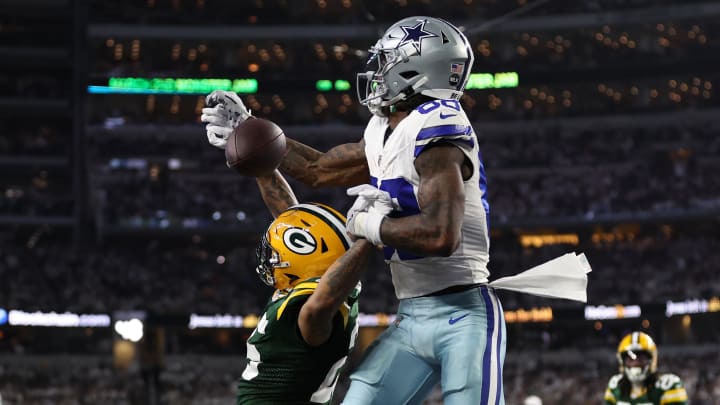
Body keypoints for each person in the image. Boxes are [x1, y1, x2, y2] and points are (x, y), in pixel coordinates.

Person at [203, 16, 504, 404]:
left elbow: (442, 235)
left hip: (464, 311)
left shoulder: (439, 130)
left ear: (415, 69)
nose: (377, 72)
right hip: (412, 314)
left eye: (387, 62)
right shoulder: (385, 128)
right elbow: (317, 169)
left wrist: (371, 225)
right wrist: (248, 131)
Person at [234, 168, 385, 404]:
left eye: (277, 252)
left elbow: (317, 306)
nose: (271, 258)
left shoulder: (314, 304)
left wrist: (368, 234)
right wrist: (261, 165)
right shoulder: (338, 283)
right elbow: (291, 219)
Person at [604, 331, 688, 405]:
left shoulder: (667, 385)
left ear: (651, 360)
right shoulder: (615, 386)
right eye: (630, 359)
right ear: (622, 361)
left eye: (641, 358)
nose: (635, 363)